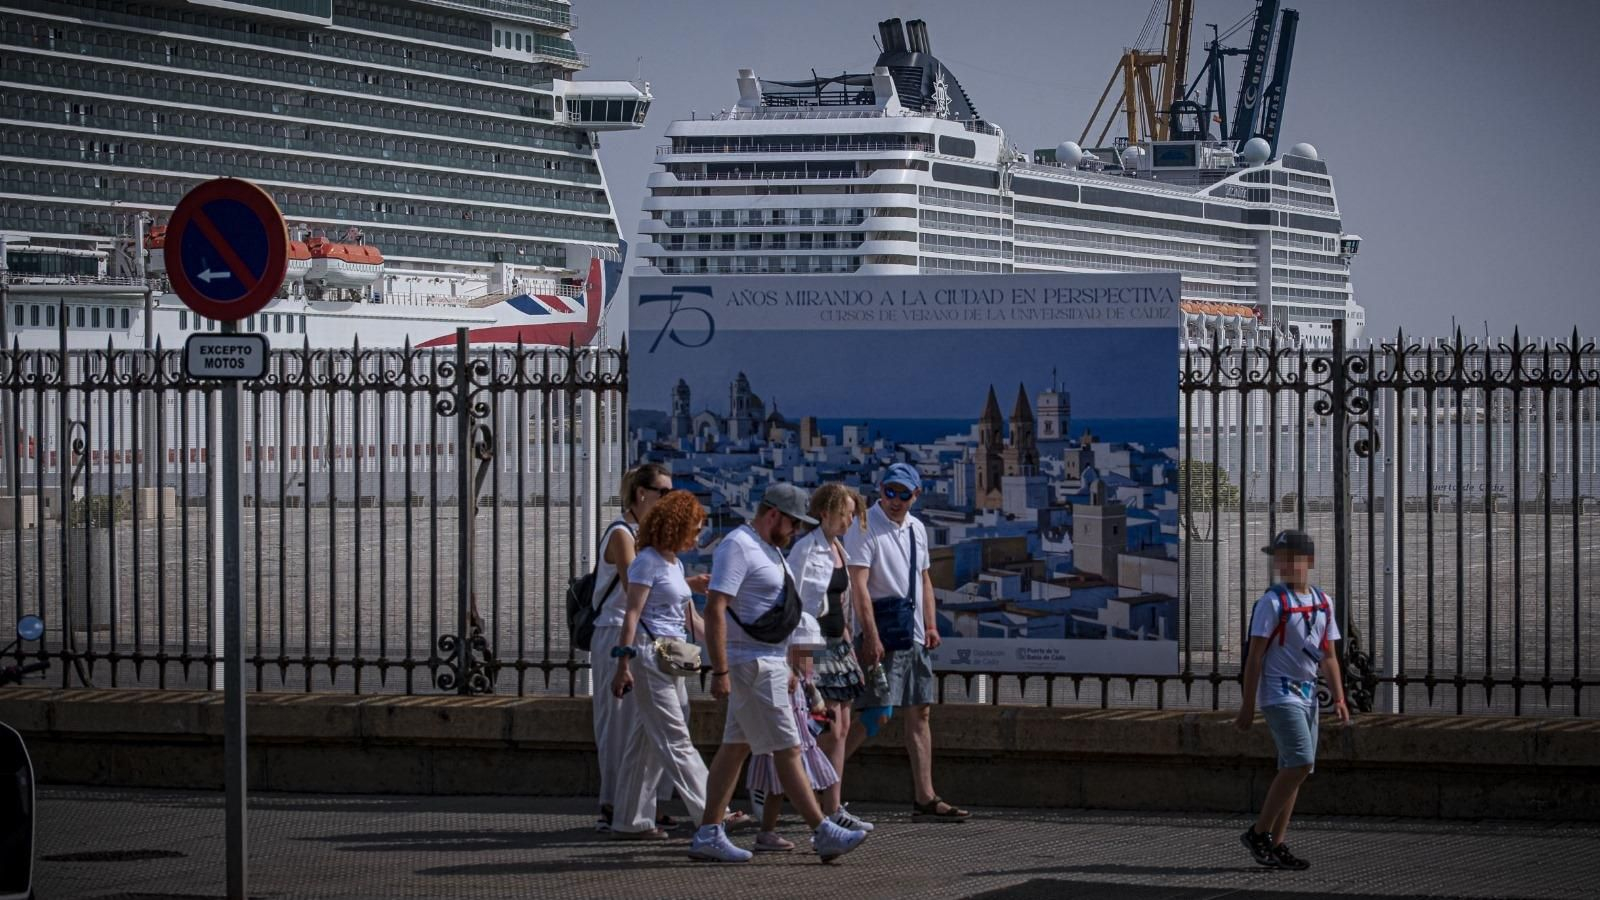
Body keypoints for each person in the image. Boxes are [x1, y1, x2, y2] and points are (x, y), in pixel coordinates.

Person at [688, 482, 869, 863]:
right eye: (793, 524)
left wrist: (795, 663)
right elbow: (717, 607)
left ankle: (708, 832)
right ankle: (823, 831)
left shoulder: (769, 549)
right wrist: (720, 670)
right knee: (789, 749)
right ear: (774, 515)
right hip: (752, 663)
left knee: (735, 749)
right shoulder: (738, 546)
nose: (796, 531)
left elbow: (794, 612)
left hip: (769, 660)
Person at [844, 463, 970, 821]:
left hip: (912, 633)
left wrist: (930, 624)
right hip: (884, 634)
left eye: (903, 494)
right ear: (880, 490)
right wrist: (870, 635)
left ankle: (925, 796)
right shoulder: (864, 526)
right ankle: (824, 777)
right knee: (876, 713)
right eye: (889, 492)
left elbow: (924, 580)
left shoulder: (916, 528)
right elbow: (859, 585)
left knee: (920, 712)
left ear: (916, 495)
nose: (895, 500)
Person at [1235, 529, 1351, 871]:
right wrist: (1247, 706)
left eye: (1291, 558)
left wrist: (1340, 698)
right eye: (1279, 558)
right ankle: (1259, 834)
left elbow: (1328, 655)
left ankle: (1276, 843)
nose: (1283, 565)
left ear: (1309, 562)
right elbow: (1254, 657)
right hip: (1278, 693)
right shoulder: (1272, 603)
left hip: (1308, 695)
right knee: (1300, 762)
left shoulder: (1322, 602)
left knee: (1297, 769)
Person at [609, 491, 712, 840]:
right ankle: (713, 811)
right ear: (675, 526)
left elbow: (688, 618)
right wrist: (623, 663)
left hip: (671, 654)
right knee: (675, 737)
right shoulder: (647, 561)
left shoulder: (674, 563)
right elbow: (632, 615)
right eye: (694, 530)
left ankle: (630, 819)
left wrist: (724, 646)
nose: (697, 538)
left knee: (647, 740)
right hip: (650, 656)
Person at [588, 463, 684, 832]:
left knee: (653, 722)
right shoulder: (622, 533)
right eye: (664, 492)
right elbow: (634, 590)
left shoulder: (647, 535)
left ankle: (648, 802)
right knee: (620, 721)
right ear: (641, 493)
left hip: (643, 633)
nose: (669, 499)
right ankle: (614, 802)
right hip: (616, 632)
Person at [787, 483, 874, 832]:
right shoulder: (806, 550)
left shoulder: (837, 547)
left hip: (838, 644)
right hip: (815, 644)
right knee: (828, 727)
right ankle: (819, 805)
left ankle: (833, 805)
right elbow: (798, 604)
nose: (850, 520)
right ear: (825, 512)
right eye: (846, 513)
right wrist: (800, 656)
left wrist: (850, 642)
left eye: (853, 514)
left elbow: (840, 602)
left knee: (842, 727)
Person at [743, 622, 838, 851]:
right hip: (786, 739)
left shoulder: (803, 674)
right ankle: (814, 831)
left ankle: (818, 831)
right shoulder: (782, 673)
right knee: (782, 788)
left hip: (801, 740)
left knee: (804, 785)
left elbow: (814, 696)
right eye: (804, 652)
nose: (809, 658)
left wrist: (821, 708)